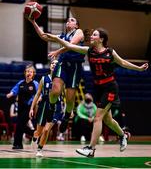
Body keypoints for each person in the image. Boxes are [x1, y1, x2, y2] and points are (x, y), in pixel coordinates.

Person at [43, 28, 148, 157]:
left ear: (101, 39)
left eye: (94, 35)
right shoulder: (89, 51)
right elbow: (69, 45)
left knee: (97, 118)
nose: (91, 36)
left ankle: (91, 149)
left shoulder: (110, 52)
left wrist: (138, 68)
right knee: (108, 120)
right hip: (98, 88)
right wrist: (55, 38)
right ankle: (123, 135)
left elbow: (123, 63)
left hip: (110, 87)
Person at [28, 17, 85, 135]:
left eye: (72, 20)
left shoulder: (79, 32)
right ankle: (52, 107)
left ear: (76, 25)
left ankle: (67, 116)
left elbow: (71, 44)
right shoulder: (63, 36)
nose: (68, 21)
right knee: (54, 91)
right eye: (68, 20)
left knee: (69, 99)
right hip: (63, 64)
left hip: (75, 67)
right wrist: (33, 22)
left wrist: (57, 52)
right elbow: (43, 36)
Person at [29, 59, 63, 157]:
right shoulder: (44, 79)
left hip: (56, 106)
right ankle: (35, 136)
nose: (53, 65)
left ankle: (40, 149)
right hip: (44, 105)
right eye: (52, 63)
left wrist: (69, 109)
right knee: (39, 131)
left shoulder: (62, 80)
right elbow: (37, 94)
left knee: (47, 130)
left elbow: (64, 94)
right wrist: (32, 108)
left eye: (56, 64)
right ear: (50, 66)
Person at [6, 64, 38, 149]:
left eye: (30, 72)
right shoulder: (21, 83)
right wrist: (10, 94)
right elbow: (15, 90)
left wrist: (38, 101)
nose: (29, 73)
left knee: (20, 124)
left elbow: (39, 94)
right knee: (20, 125)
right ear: (25, 73)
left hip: (29, 108)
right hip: (20, 107)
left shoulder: (35, 84)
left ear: (33, 74)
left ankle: (18, 143)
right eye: (27, 71)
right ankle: (31, 136)